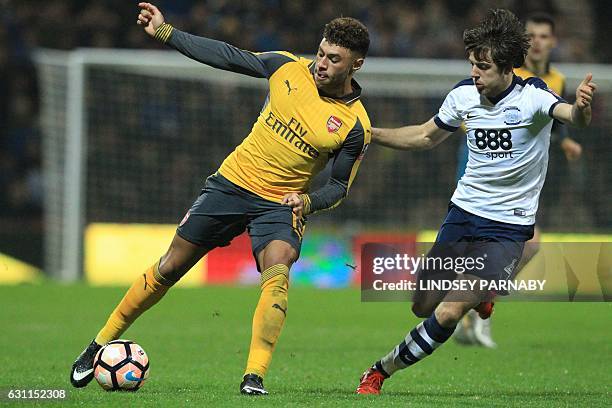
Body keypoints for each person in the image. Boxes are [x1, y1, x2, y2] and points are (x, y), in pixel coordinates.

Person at [70, 2, 372, 396]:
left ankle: (253, 376)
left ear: (356, 65)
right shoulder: (286, 68)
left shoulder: (355, 126)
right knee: (169, 266)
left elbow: (339, 187)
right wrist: (166, 32)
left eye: (334, 59)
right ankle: (96, 346)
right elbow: (226, 56)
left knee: (278, 269)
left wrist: (308, 201)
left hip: (279, 204)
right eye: (320, 53)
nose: (322, 64)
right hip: (231, 183)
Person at [356, 9, 596, 395]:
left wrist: (582, 109)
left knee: (450, 310)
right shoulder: (463, 95)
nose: (474, 73)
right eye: (472, 64)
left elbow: (571, 116)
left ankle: (380, 371)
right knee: (423, 305)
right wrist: (369, 133)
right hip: (463, 215)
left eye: (482, 67)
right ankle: (484, 295)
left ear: (506, 69)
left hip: (508, 227)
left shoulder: (533, 96)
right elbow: (423, 136)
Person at [453, 12, 583, 348]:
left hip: (525, 179)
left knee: (529, 247)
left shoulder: (556, 81)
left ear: (552, 42)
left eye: (544, 36)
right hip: (485, 173)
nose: (537, 41)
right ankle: (474, 309)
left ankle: (479, 303)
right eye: (533, 35)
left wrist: (565, 141)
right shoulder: (506, 73)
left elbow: (548, 121)